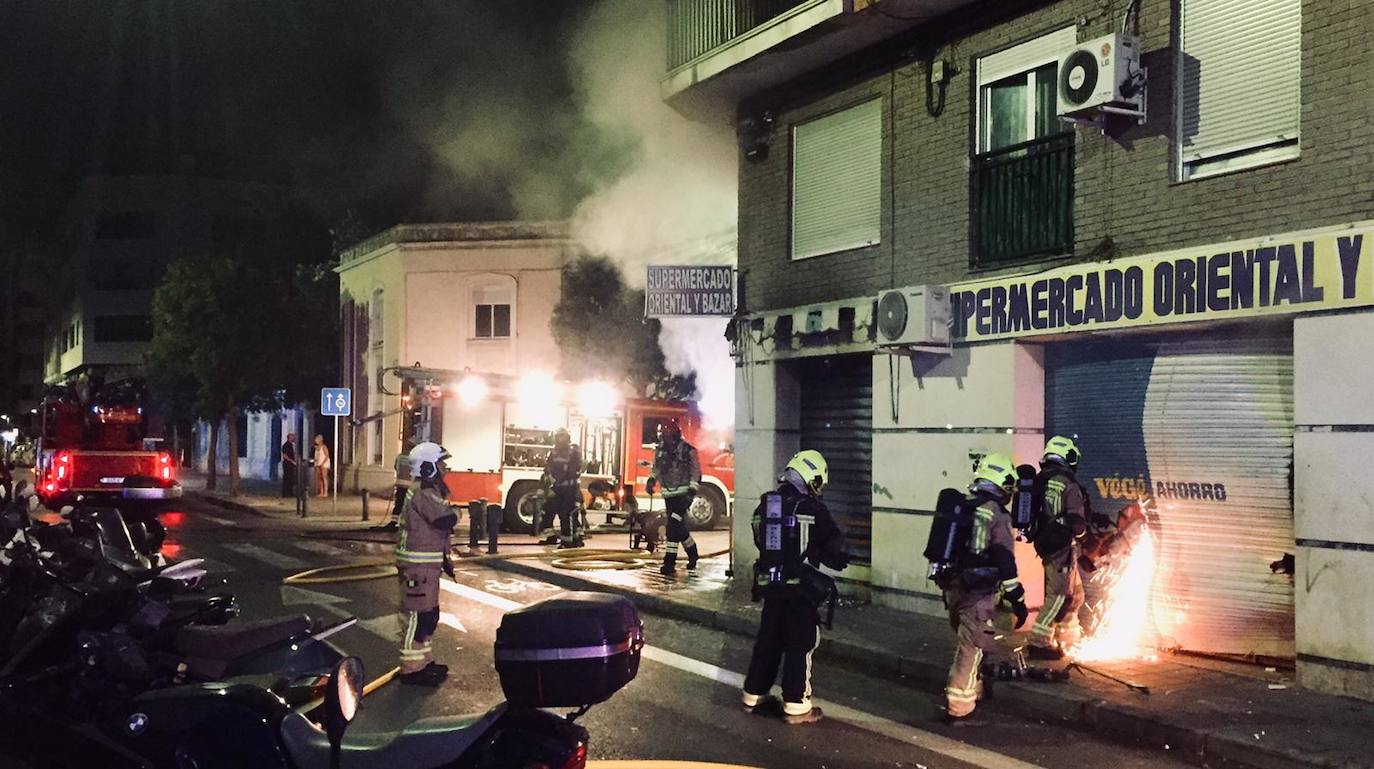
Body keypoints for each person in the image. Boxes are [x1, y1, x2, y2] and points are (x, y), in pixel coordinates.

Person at [741, 450, 849, 725]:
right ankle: (797, 705)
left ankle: (754, 695)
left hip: (771, 587)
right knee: (801, 642)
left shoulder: (768, 504)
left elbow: (759, 539)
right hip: (801, 591)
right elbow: (836, 552)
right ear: (811, 477)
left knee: (769, 640)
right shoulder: (813, 509)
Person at [943, 453, 1027, 725]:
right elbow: (1004, 558)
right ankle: (960, 706)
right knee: (973, 644)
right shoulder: (997, 514)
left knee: (969, 638)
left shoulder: (965, 506)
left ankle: (975, 686)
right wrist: (1018, 597)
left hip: (953, 586)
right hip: (977, 589)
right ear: (1002, 482)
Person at [1027, 435, 1103, 660]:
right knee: (1059, 595)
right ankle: (1038, 642)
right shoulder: (1067, 483)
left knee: (1076, 594)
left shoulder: (1043, 479)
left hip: (1048, 542)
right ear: (1067, 457)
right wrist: (1087, 540)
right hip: (1060, 546)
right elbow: (1075, 521)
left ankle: (1068, 637)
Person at [395, 441, 459, 686]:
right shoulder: (424, 492)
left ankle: (423, 662)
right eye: (441, 464)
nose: (445, 469)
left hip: (426, 567)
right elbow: (444, 519)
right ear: (428, 467)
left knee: (428, 616)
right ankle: (411, 669)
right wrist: (459, 514)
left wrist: (446, 560)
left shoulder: (429, 492)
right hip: (417, 567)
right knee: (417, 618)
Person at [646, 419, 700, 576]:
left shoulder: (688, 450)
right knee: (679, 527)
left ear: (674, 435)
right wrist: (651, 480)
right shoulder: (661, 450)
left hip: (682, 496)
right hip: (668, 495)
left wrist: (691, 492)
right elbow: (656, 467)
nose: (664, 439)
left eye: (666, 436)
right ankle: (693, 553)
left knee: (672, 526)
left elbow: (696, 472)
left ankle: (669, 562)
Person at [538, 428, 583, 548]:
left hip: (570, 488)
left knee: (566, 513)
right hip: (557, 488)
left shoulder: (573, 452)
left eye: (562, 437)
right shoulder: (553, 453)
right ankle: (551, 536)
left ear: (567, 438)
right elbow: (548, 469)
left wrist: (558, 479)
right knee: (547, 510)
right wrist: (545, 486)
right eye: (558, 437)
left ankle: (568, 541)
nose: (560, 439)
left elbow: (574, 470)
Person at [373, 449, 412, 532]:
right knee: (409, 505)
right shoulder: (415, 458)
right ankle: (406, 523)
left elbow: (396, 468)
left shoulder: (400, 457)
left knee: (398, 504)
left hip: (400, 484)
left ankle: (393, 523)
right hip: (410, 485)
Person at [280, 433, 298, 498]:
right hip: (287, 464)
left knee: (291, 478)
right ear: (289, 438)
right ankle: (286, 493)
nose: (294, 439)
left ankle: (290, 492)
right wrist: (292, 461)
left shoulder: (291, 445)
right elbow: (285, 455)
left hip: (290, 464)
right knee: (287, 478)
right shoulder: (286, 445)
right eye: (293, 437)